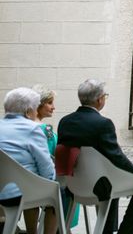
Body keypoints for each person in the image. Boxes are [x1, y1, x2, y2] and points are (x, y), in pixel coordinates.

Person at [57, 80, 133, 234]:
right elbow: (116, 157)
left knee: (110, 179)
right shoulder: (103, 124)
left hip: (74, 185)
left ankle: (108, 230)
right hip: (99, 187)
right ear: (99, 100)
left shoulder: (64, 122)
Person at [0, 88, 58, 234]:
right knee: (61, 191)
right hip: (18, 193)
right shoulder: (32, 129)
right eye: (34, 109)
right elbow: (47, 171)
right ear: (27, 111)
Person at [32, 84, 80, 229]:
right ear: (39, 104)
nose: (53, 107)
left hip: (27, 180)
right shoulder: (44, 130)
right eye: (50, 103)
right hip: (45, 180)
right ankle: (61, 228)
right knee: (70, 188)